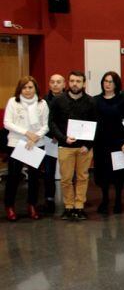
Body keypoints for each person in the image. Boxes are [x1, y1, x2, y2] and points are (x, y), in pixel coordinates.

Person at [48, 71, 98, 220]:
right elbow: (52, 123)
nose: (75, 84)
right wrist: (63, 138)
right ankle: (69, 207)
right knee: (66, 179)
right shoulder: (58, 101)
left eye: (78, 81)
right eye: (72, 81)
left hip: (84, 148)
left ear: (84, 83)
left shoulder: (91, 102)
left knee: (83, 178)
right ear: (68, 83)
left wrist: (88, 145)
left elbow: (95, 124)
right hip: (65, 146)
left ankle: (79, 206)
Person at [4, 76, 49, 221]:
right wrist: (26, 134)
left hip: (36, 143)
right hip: (17, 143)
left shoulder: (42, 103)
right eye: (24, 87)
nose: (27, 90)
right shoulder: (13, 102)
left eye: (30, 87)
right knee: (13, 177)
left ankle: (32, 205)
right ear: (20, 89)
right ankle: (10, 206)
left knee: (35, 178)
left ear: (35, 88)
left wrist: (36, 136)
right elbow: (7, 123)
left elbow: (46, 125)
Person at [93, 72, 124, 214]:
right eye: (105, 81)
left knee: (118, 173)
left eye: (110, 81)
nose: (107, 84)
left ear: (116, 84)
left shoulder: (122, 100)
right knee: (103, 173)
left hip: (117, 141)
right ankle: (105, 200)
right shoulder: (96, 100)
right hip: (100, 142)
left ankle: (118, 201)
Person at [41, 74, 65, 213]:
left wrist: (60, 135)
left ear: (64, 84)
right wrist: (53, 135)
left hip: (65, 139)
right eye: (52, 82)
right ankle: (49, 199)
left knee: (69, 171)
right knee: (49, 171)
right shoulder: (43, 101)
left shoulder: (69, 99)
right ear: (49, 84)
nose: (55, 84)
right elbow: (44, 121)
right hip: (49, 139)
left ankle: (72, 199)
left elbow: (70, 119)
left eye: (58, 82)